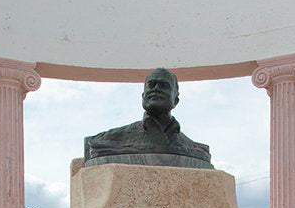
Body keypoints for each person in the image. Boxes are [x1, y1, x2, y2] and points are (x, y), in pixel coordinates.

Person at [84, 68, 212, 167]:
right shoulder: (107, 139)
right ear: (143, 96)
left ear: (176, 100)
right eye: (151, 85)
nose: (156, 89)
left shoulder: (196, 149)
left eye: (164, 86)